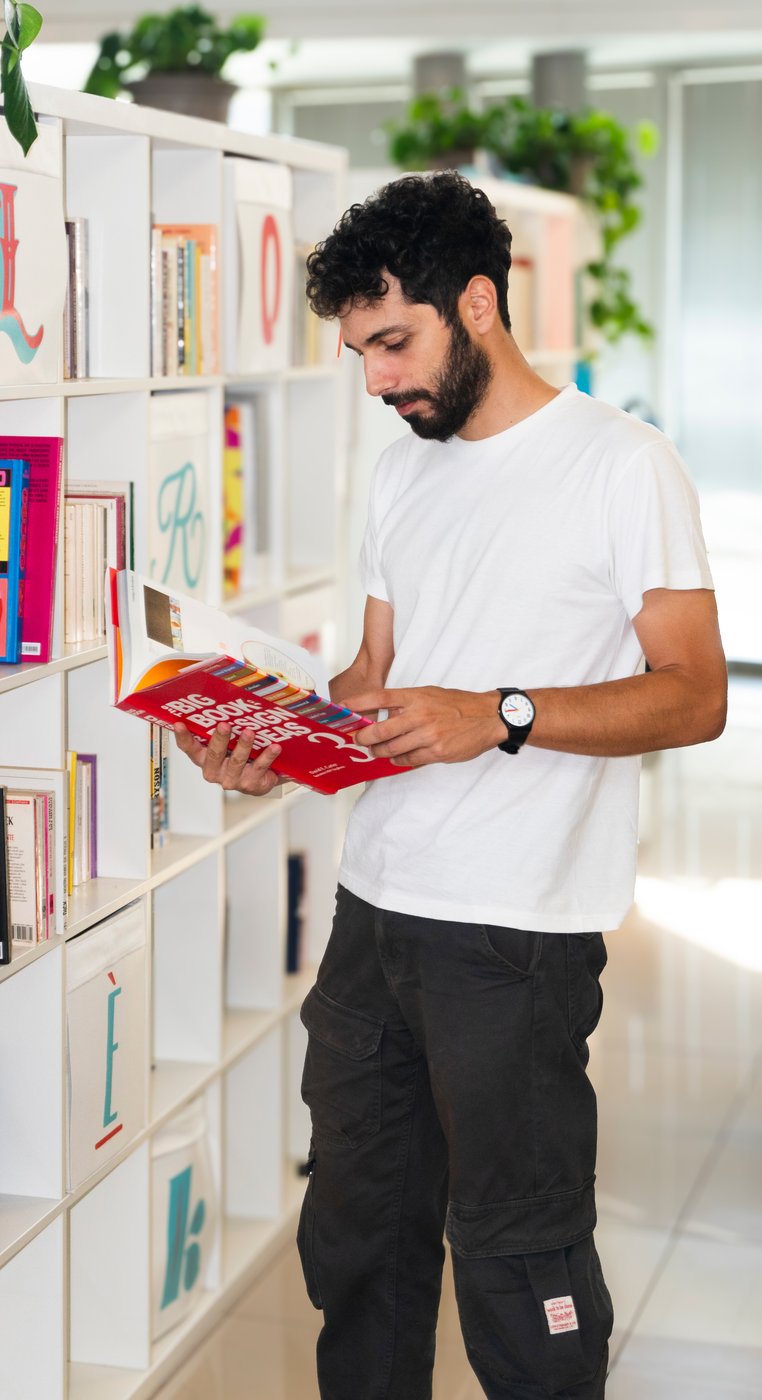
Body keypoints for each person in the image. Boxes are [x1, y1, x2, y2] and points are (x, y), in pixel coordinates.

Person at [172, 171, 727, 1400]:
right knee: (359, 1251)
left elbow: (696, 693)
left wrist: (506, 715)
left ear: (477, 303)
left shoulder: (622, 465)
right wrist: (267, 748)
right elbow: (375, 679)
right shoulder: (400, 473)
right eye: (360, 351)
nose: (376, 378)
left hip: (517, 940)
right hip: (375, 917)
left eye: (393, 340)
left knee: (521, 1270)